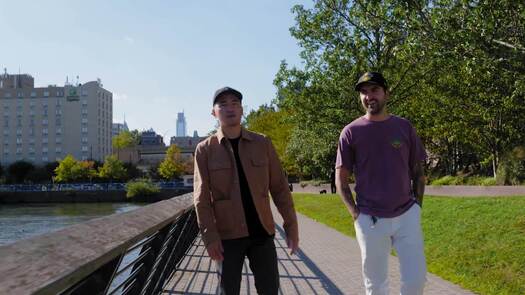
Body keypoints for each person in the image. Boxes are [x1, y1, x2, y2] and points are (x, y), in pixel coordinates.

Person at [193, 87, 299, 295]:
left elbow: (279, 188)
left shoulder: (262, 143)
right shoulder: (205, 150)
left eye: (235, 103)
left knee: (269, 290)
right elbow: (201, 199)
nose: (230, 108)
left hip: (262, 232)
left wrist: (291, 226)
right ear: (214, 112)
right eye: (223, 104)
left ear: (242, 110)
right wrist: (210, 237)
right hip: (227, 237)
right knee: (228, 291)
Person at [335, 72, 427, 295]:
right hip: (370, 220)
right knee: (376, 286)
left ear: (386, 93)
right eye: (364, 92)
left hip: (406, 215)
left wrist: (417, 207)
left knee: (416, 280)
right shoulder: (350, 132)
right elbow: (341, 178)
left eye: (374, 90)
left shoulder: (404, 127)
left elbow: (418, 171)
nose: (369, 96)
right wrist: (356, 214)